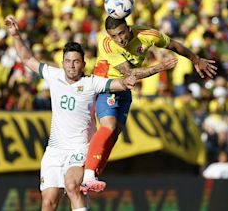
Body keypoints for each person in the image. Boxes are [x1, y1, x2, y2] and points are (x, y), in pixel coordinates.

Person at [5, 15, 148, 211]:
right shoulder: (54, 76)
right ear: (62, 63)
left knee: (73, 186)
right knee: (48, 202)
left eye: (76, 62)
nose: (71, 65)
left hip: (80, 148)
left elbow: (115, 83)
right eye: (68, 61)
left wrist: (126, 82)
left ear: (83, 64)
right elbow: (27, 58)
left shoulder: (91, 82)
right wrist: (15, 35)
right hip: (54, 150)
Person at [81, 16, 217, 192]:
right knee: (108, 126)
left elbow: (174, 45)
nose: (119, 39)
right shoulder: (106, 45)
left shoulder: (147, 34)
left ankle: (94, 175)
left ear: (128, 28)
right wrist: (160, 67)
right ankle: (88, 175)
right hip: (106, 86)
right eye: (114, 35)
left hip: (125, 91)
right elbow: (130, 73)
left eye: (121, 33)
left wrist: (196, 59)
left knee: (114, 135)